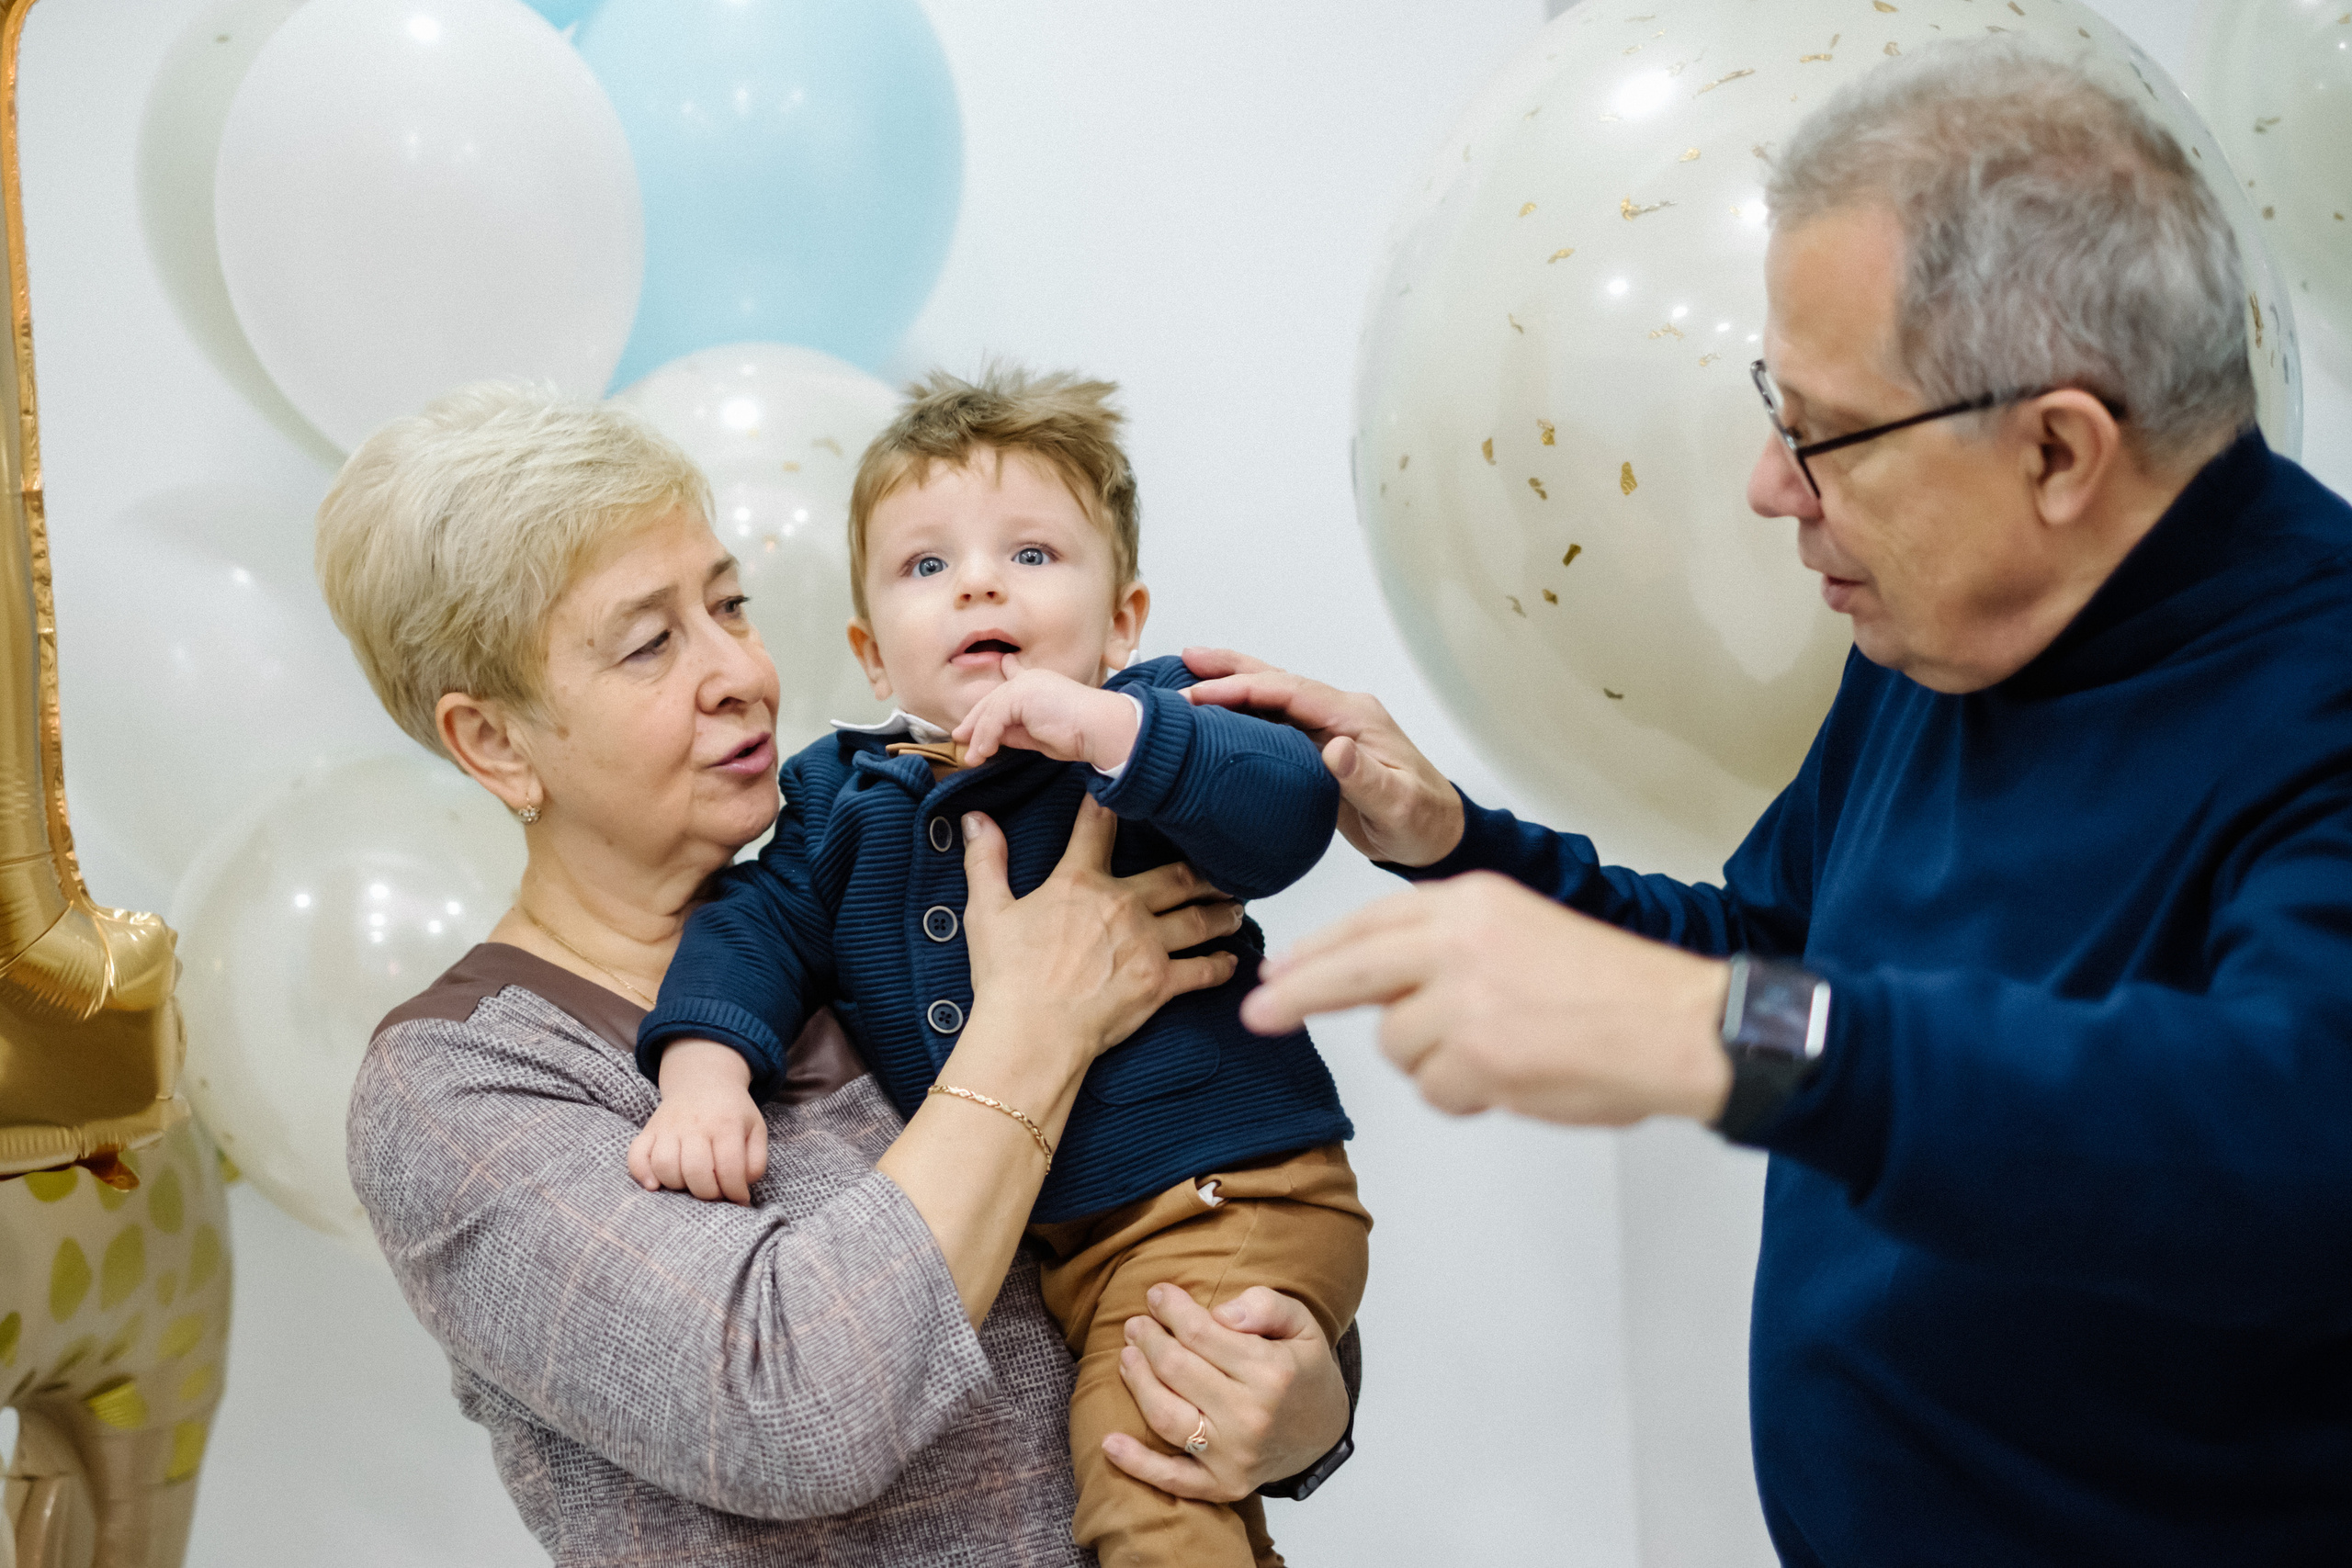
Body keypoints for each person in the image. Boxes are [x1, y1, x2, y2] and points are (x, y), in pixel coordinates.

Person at [1192, 38, 2352, 1565]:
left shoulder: (2318, 692)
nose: (1765, 481)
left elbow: (2282, 1133)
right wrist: (1455, 840)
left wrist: (1731, 1040)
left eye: (1819, 427)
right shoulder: (1939, 631)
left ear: (2060, 449)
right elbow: (1763, 942)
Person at [323, 384, 1358, 1566]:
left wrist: (1303, 1408)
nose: (740, 674)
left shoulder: (869, 890)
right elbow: (792, 1407)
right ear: (495, 742)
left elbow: (1173, 1228)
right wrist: (1037, 1025)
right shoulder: (464, 1085)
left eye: (729, 606)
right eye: (652, 642)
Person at [632, 367, 1369, 1568]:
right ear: (875, 653)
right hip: (1072, 1244)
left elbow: (1288, 810)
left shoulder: (1150, 725)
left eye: (1032, 553)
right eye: (928, 565)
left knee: (1147, 1495)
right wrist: (704, 1074)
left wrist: (1112, 730)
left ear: (1122, 619)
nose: (978, 581)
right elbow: (751, 922)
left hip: (1227, 1197)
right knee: (1180, 1498)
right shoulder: (839, 797)